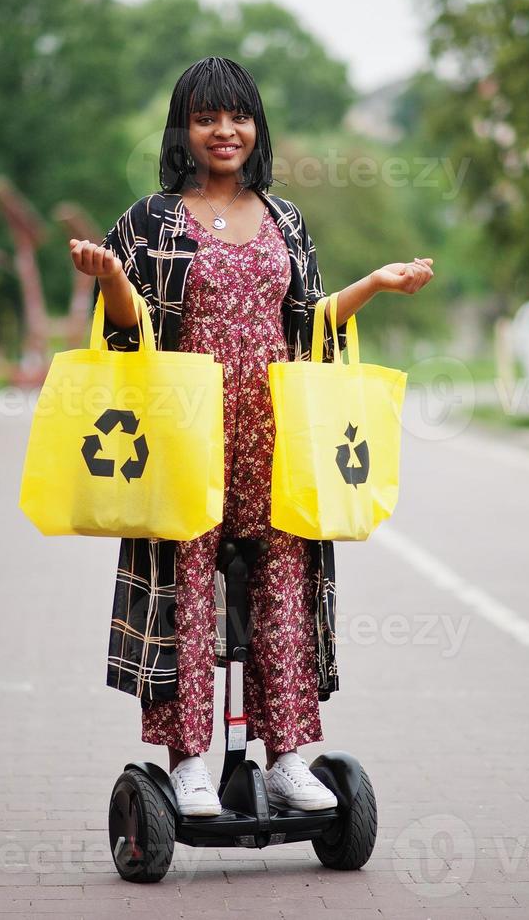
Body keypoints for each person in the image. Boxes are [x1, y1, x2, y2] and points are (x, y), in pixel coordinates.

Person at [69, 57, 434, 817]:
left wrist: (376, 282)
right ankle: (187, 765)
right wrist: (109, 276)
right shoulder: (149, 221)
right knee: (187, 596)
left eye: (236, 116)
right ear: (184, 129)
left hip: (275, 442)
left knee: (282, 598)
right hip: (184, 440)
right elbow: (124, 333)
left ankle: (288, 758)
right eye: (206, 118)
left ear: (255, 126)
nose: (223, 131)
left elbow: (306, 322)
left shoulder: (285, 219)